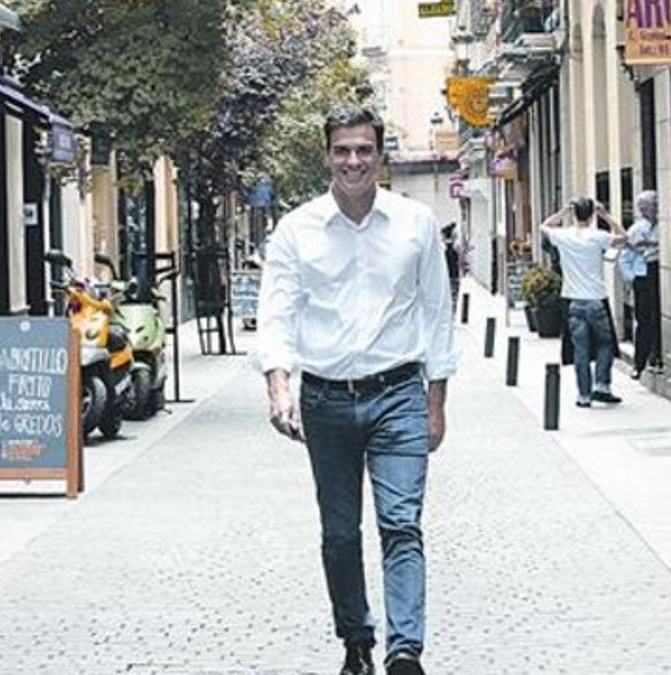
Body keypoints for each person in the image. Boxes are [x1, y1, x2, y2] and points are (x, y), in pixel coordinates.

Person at [256, 107, 457, 675]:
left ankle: (404, 651)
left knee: (401, 523)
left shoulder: (415, 224)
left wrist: (435, 404)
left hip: (398, 394)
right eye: (342, 150)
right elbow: (277, 312)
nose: (353, 161)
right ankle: (356, 642)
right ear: (327, 156)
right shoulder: (297, 229)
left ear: (380, 156)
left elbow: (438, 315)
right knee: (340, 532)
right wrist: (278, 385)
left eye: (363, 150)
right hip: (325, 398)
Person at [540, 197, 628, 407]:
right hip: (596, 298)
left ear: (575, 214)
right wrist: (604, 215)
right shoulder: (598, 236)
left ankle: (584, 395)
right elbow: (623, 236)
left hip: (572, 301)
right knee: (605, 343)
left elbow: (543, 226)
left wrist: (563, 211)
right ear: (590, 215)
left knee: (580, 348)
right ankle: (602, 385)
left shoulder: (563, 236)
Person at [618, 190, 662, 379]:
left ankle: (658, 357)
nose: (645, 210)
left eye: (649, 206)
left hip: (658, 271)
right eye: (642, 207)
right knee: (644, 320)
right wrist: (632, 278)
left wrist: (653, 244)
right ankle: (640, 363)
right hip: (643, 276)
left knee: (659, 317)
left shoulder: (663, 226)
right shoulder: (636, 229)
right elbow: (624, 256)